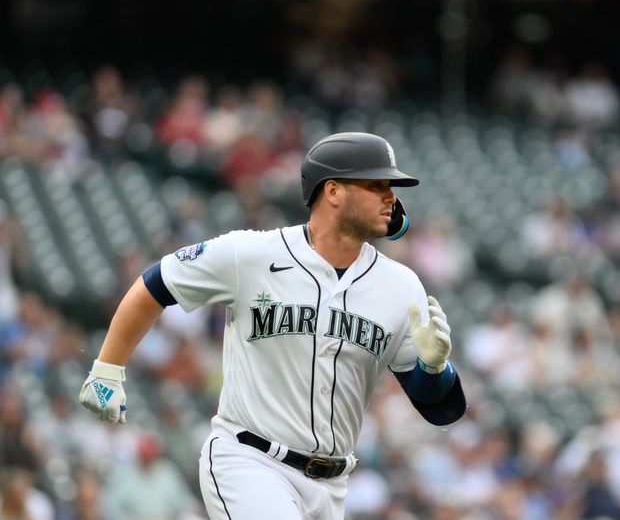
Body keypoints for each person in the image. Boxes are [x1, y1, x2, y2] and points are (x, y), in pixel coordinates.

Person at [78, 132, 467, 520]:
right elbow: (156, 283)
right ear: (333, 191)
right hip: (250, 462)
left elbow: (440, 410)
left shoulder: (400, 286)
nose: (391, 197)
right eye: (376, 184)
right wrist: (108, 367)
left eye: (391, 187)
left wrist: (434, 368)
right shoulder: (252, 253)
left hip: (331, 486)